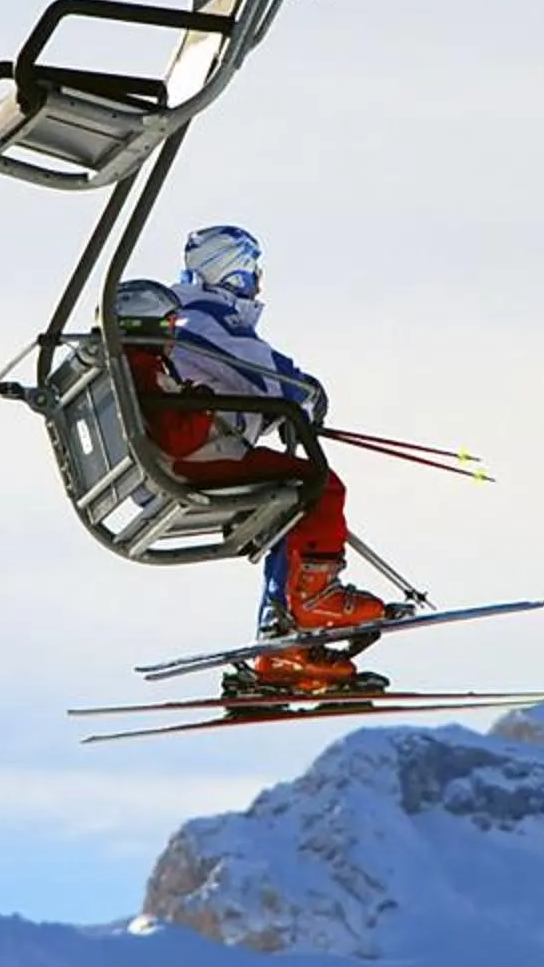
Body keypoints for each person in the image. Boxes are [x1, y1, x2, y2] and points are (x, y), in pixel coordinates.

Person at [141, 223, 395, 699]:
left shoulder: (184, 319)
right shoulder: (208, 317)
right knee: (318, 485)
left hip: (192, 451)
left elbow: (235, 376)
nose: (258, 283)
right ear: (234, 271)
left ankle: (281, 646)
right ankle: (315, 598)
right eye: (253, 271)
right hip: (201, 456)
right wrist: (305, 397)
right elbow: (268, 375)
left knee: (286, 510)